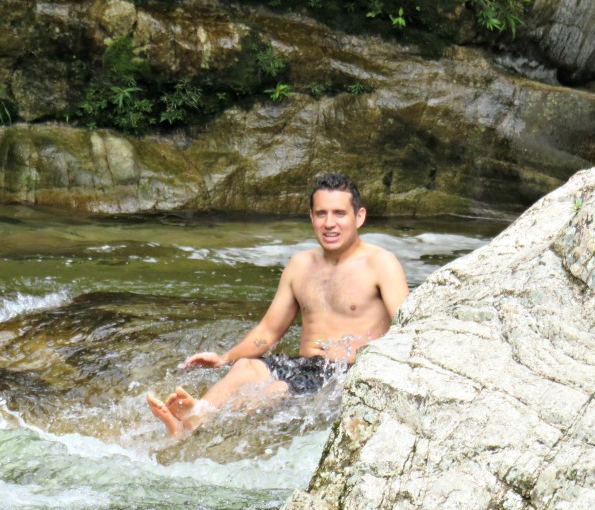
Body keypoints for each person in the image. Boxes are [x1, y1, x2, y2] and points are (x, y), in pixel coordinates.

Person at [146, 172, 409, 437]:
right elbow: (269, 330)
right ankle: (192, 419)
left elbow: (411, 327)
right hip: (306, 366)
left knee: (276, 389)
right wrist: (223, 359)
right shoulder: (300, 265)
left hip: (345, 374)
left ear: (359, 217)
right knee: (245, 367)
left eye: (339, 213)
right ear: (311, 217)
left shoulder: (381, 264)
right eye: (321, 214)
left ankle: (199, 425)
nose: (330, 223)